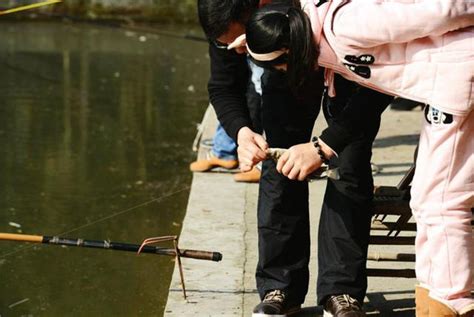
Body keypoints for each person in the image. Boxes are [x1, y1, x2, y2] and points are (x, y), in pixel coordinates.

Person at [242, 1, 473, 316]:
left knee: (441, 203)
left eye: (280, 67)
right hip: (447, 86)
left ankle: (449, 302)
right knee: (428, 198)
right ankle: (442, 301)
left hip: (458, 82)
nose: (284, 74)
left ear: (288, 49)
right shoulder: (323, 39)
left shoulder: (347, 25)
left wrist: (322, 147)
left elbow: (444, 10)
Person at [198, 1, 395, 316]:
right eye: (227, 44)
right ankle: (281, 286)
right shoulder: (226, 21)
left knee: (349, 163)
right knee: (280, 163)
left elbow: (384, 84)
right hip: (283, 65)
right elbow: (223, 86)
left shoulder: (349, 19)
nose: (236, 50)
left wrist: (324, 146)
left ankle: (342, 290)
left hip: (351, 64)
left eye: (241, 42)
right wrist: (242, 132)